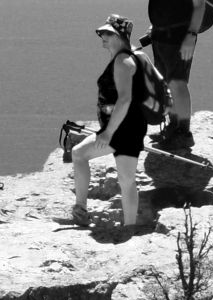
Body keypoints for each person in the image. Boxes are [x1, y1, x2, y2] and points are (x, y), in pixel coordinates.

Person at [69, 16, 148, 232]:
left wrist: (108, 132)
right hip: (129, 127)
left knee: (81, 155)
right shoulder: (125, 56)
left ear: (118, 36)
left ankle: (83, 211)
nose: (102, 37)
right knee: (126, 178)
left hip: (122, 129)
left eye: (107, 33)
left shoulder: (123, 62)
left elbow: (124, 99)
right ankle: (128, 226)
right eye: (101, 33)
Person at [147, 0, 207, 151]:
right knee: (166, 82)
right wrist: (155, 26)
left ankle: (184, 134)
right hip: (160, 34)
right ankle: (173, 126)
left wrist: (192, 34)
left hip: (179, 37)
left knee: (177, 83)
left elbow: (199, 4)